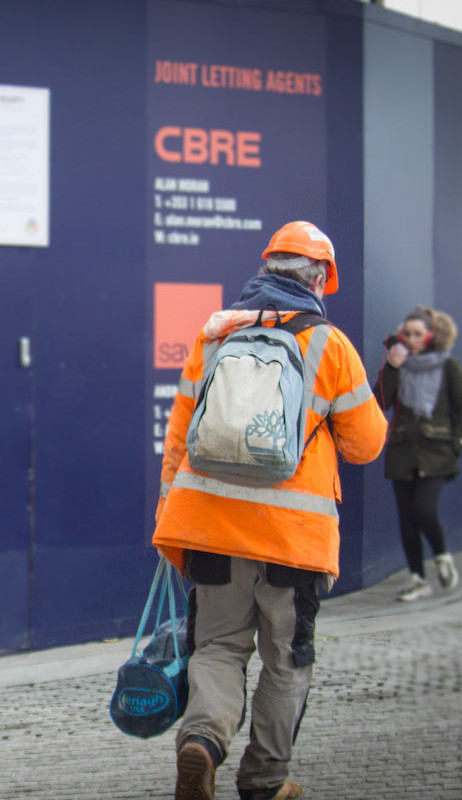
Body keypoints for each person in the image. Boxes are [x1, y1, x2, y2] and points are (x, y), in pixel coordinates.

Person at [153, 221, 387, 800]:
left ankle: (200, 743)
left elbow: (179, 436)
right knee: (285, 660)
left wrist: (169, 510)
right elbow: (366, 444)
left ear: (265, 270)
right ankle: (263, 781)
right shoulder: (330, 345)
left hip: (211, 531)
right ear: (320, 279)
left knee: (217, 648)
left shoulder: (213, 336)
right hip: (292, 540)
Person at [374, 307, 462, 602]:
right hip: (402, 452)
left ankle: (442, 556)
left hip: (436, 453)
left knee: (424, 510)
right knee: (407, 519)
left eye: (418, 334)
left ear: (431, 336)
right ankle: (417, 579)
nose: (412, 339)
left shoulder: (448, 366)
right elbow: (379, 402)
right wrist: (392, 367)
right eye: (407, 333)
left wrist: (456, 445)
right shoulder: (399, 365)